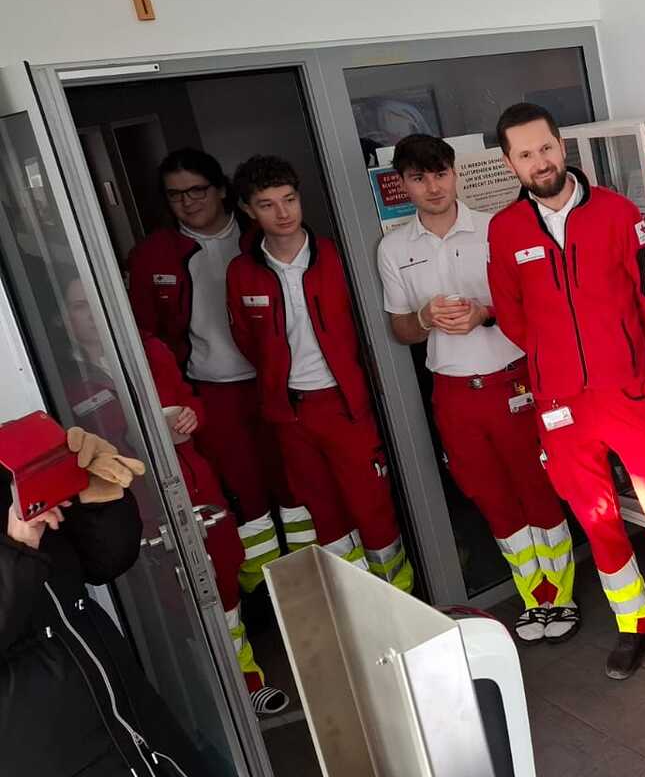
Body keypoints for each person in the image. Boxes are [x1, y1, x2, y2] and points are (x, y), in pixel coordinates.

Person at [486, 103, 645, 680]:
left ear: (561, 145)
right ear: (510, 163)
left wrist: (635, 363)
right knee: (596, 518)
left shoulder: (618, 213)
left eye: (546, 148)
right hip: (559, 402)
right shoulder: (505, 230)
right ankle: (633, 621)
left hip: (626, 391)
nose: (540, 161)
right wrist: (552, 362)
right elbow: (512, 317)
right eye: (525, 154)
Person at [0, 429, 231, 777]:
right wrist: (18, 544)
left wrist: (98, 501)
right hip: (32, 765)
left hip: (112, 718)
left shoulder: (8, 458)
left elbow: (102, 561)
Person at [378, 134, 575, 643]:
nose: (433, 186)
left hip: (512, 380)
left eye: (440, 173)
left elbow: (534, 305)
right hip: (453, 391)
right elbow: (400, 328)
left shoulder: (495, 229)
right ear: (402, 185)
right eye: (419, 178)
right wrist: (425, 318)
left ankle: (561, 596)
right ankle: (533, 598)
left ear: (456, 173)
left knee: (535, 486)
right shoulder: (394, 247)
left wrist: (485, 313)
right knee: (491, 496)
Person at [226, 155, 414, 593]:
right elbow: (247, 341)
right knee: (324, 515)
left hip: (345, 406)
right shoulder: (242, 271)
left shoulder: (336, 255)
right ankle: (355, 601)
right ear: (249, 210)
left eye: (289, 199)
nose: (283, 212)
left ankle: (399, 596)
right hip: (291, 413)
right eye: (268, 204)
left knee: (372, 507)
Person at [127, 149, 309, 598]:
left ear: (223, 190)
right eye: (175, 195)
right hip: (210, 390)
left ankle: (308, 571)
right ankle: (262, 587)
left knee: (292, 476)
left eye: (197, 190)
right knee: (242, 487)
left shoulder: (259, 236)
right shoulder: (153, 255)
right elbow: (145, 336)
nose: (188, 202)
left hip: (276, 382)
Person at [143, 333, 288, 716]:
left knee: (222, 579)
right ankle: (212, 698)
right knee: (174, 602)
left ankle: (247, 683)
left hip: (193, 482)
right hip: (144, 496)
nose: (87, 317)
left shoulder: (152, 350)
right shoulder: (69, 375)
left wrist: (192, 414)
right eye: (78, 309)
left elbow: (190, 401)